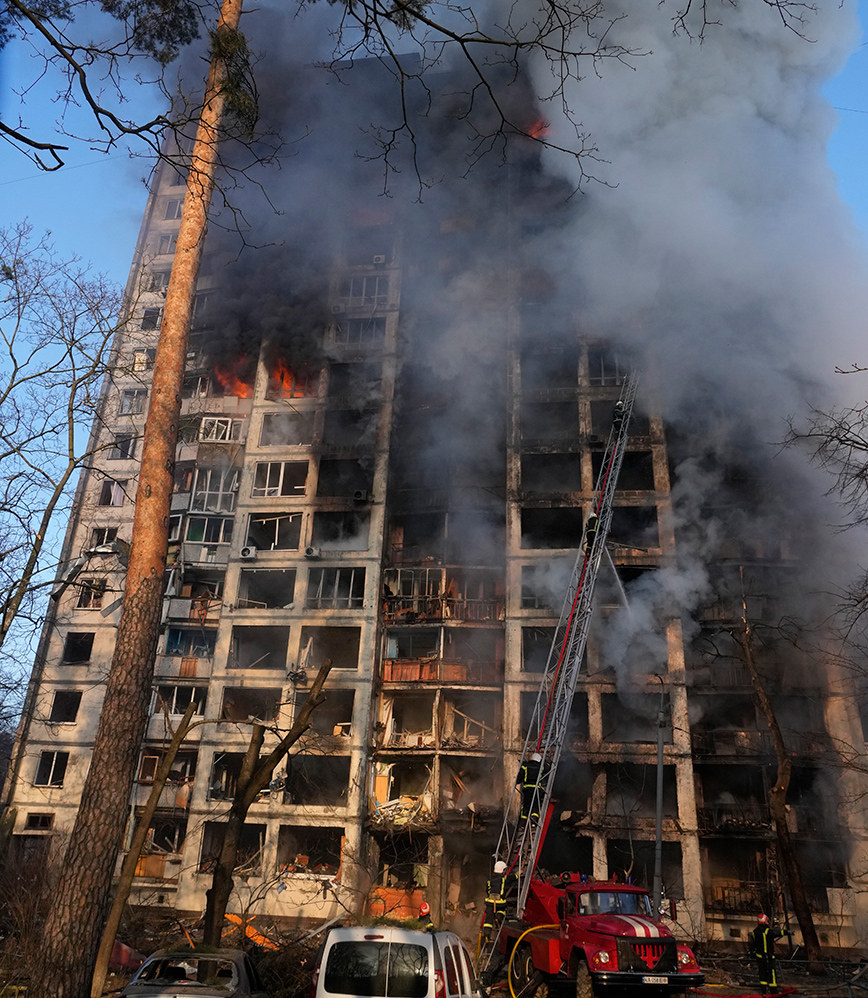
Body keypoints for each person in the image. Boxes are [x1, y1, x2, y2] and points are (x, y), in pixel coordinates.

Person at [750, 913, 786, 994]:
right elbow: (777, 933)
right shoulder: (767, 931)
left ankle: (763, 990)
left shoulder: (755, 931)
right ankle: (773, 991)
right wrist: (787, 932)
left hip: (759, 956)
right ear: (765, 921)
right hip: (768, 956)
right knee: (772, 973)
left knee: (762, 973)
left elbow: (752, 944)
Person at [482, 860, 517, 940]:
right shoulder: (504, 879)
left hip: (490, 902)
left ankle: (487, 933)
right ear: (502, 870)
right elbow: (512, 878)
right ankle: (499, 917)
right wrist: (517, 875)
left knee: (489, 917)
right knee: (503, 909)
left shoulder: (489, 880)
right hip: (500, 902)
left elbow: (487, 890)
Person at [517, 753, 546, 824]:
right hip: (537, 789)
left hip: (527, 789)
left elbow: (519, 779)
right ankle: (534, 820)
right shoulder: (541, 767)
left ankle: (523, 822)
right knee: (536, 804)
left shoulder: (525, 766)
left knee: (526, 805)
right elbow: (548, 769)